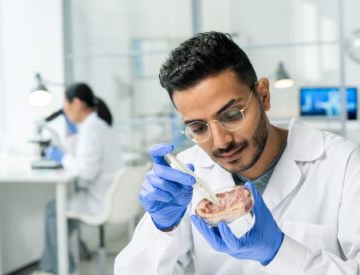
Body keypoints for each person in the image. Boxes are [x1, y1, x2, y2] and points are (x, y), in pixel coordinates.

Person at [114, 32, 360, 274]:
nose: (221, 142)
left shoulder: (344, 165)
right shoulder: (187, 175)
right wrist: (163, 229)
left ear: (263, 95)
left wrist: (280, 251)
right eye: (199, 127)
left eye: (232, 115)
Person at [36, 83, 123, 274]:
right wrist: (73, 137)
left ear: (76, 103)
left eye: (66, 107)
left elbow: (86, 172)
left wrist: (62, 157)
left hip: (100, 199)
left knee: (53, 210)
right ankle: (58, 261)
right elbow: (86, 157)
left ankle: (59, 268)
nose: (65, 112)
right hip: (114, 195)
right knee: (62, 212)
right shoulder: (101, 124)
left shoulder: (90, 128)